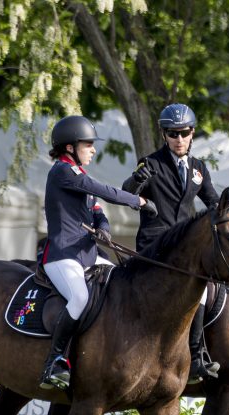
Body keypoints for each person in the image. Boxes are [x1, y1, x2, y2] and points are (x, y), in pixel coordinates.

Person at [39, 115, 157, 391]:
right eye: (88, 144)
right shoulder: (62, 172)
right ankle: (55, 361)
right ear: (70, 147)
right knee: (79, 297)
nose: (93, 149)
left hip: (87, 255)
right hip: (62, 255)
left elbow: (96, 210)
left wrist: (103, 228)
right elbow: (104, 192)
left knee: (123, 281)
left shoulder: (79, 176)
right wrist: (138, 201)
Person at [121, 103, 221, 383]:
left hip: (186, 249)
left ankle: (197, 355)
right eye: (173, 134)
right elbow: (127, 193)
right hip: (156, 247)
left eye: (184, 133)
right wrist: (135, 181)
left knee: (203, 288)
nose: (179, 139)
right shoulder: (150, 163)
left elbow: (213, 202)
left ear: (192, 134)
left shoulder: (199, 168)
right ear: (164, 135)